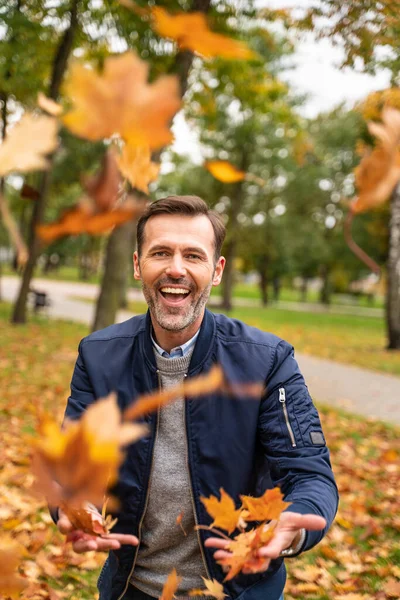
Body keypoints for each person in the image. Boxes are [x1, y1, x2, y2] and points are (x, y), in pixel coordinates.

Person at [56, 195, 338, 600]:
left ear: (216, 270)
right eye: (160, 253)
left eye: (193, 255)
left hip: (241, 586)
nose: (176, 269)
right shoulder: (99, 356)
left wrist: (291, 530)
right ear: (137, 264)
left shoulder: (268, 361)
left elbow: (309, 473)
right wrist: (72, 507)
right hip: (130, 586)